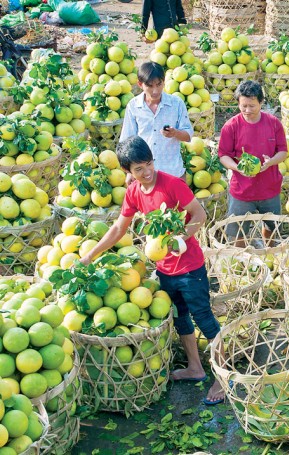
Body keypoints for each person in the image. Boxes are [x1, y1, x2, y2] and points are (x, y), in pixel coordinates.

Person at [79, 136, 225, 405]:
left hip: (190, 267)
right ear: (127, 172)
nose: (146, 173)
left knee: (204, 318)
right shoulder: (134, 192)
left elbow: (199, 215)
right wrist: (90, 255)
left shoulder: (172, 184)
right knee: (181, 318)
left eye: (148, 165)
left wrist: (182, 237)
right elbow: (118, 229)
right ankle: (196, 367)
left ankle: (223, 376)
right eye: (138, 169)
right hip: (165, 269)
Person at [218, 80, 287, 245]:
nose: (247, 111)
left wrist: (271, 162)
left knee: (271, 227)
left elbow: (283, 151)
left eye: (252, 106)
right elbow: (223, 155)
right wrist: (236, 167)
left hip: (269, 189)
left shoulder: (274, 123)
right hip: (242, 192)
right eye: (243, 106)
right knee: (238, 232)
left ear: (261, 103)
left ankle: (269, 256)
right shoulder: (230, 126)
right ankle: (242, 263)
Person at [120, 62, 193, 179]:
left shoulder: (176, 104)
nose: (155, 91)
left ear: (164, 82)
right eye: (150, 86)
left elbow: (188, 135)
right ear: (140, 84)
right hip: (145, 176)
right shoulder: (134, 106)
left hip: (172, 173)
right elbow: (126, 141)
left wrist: (175, 133)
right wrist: (129, 172)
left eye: (159, 84)